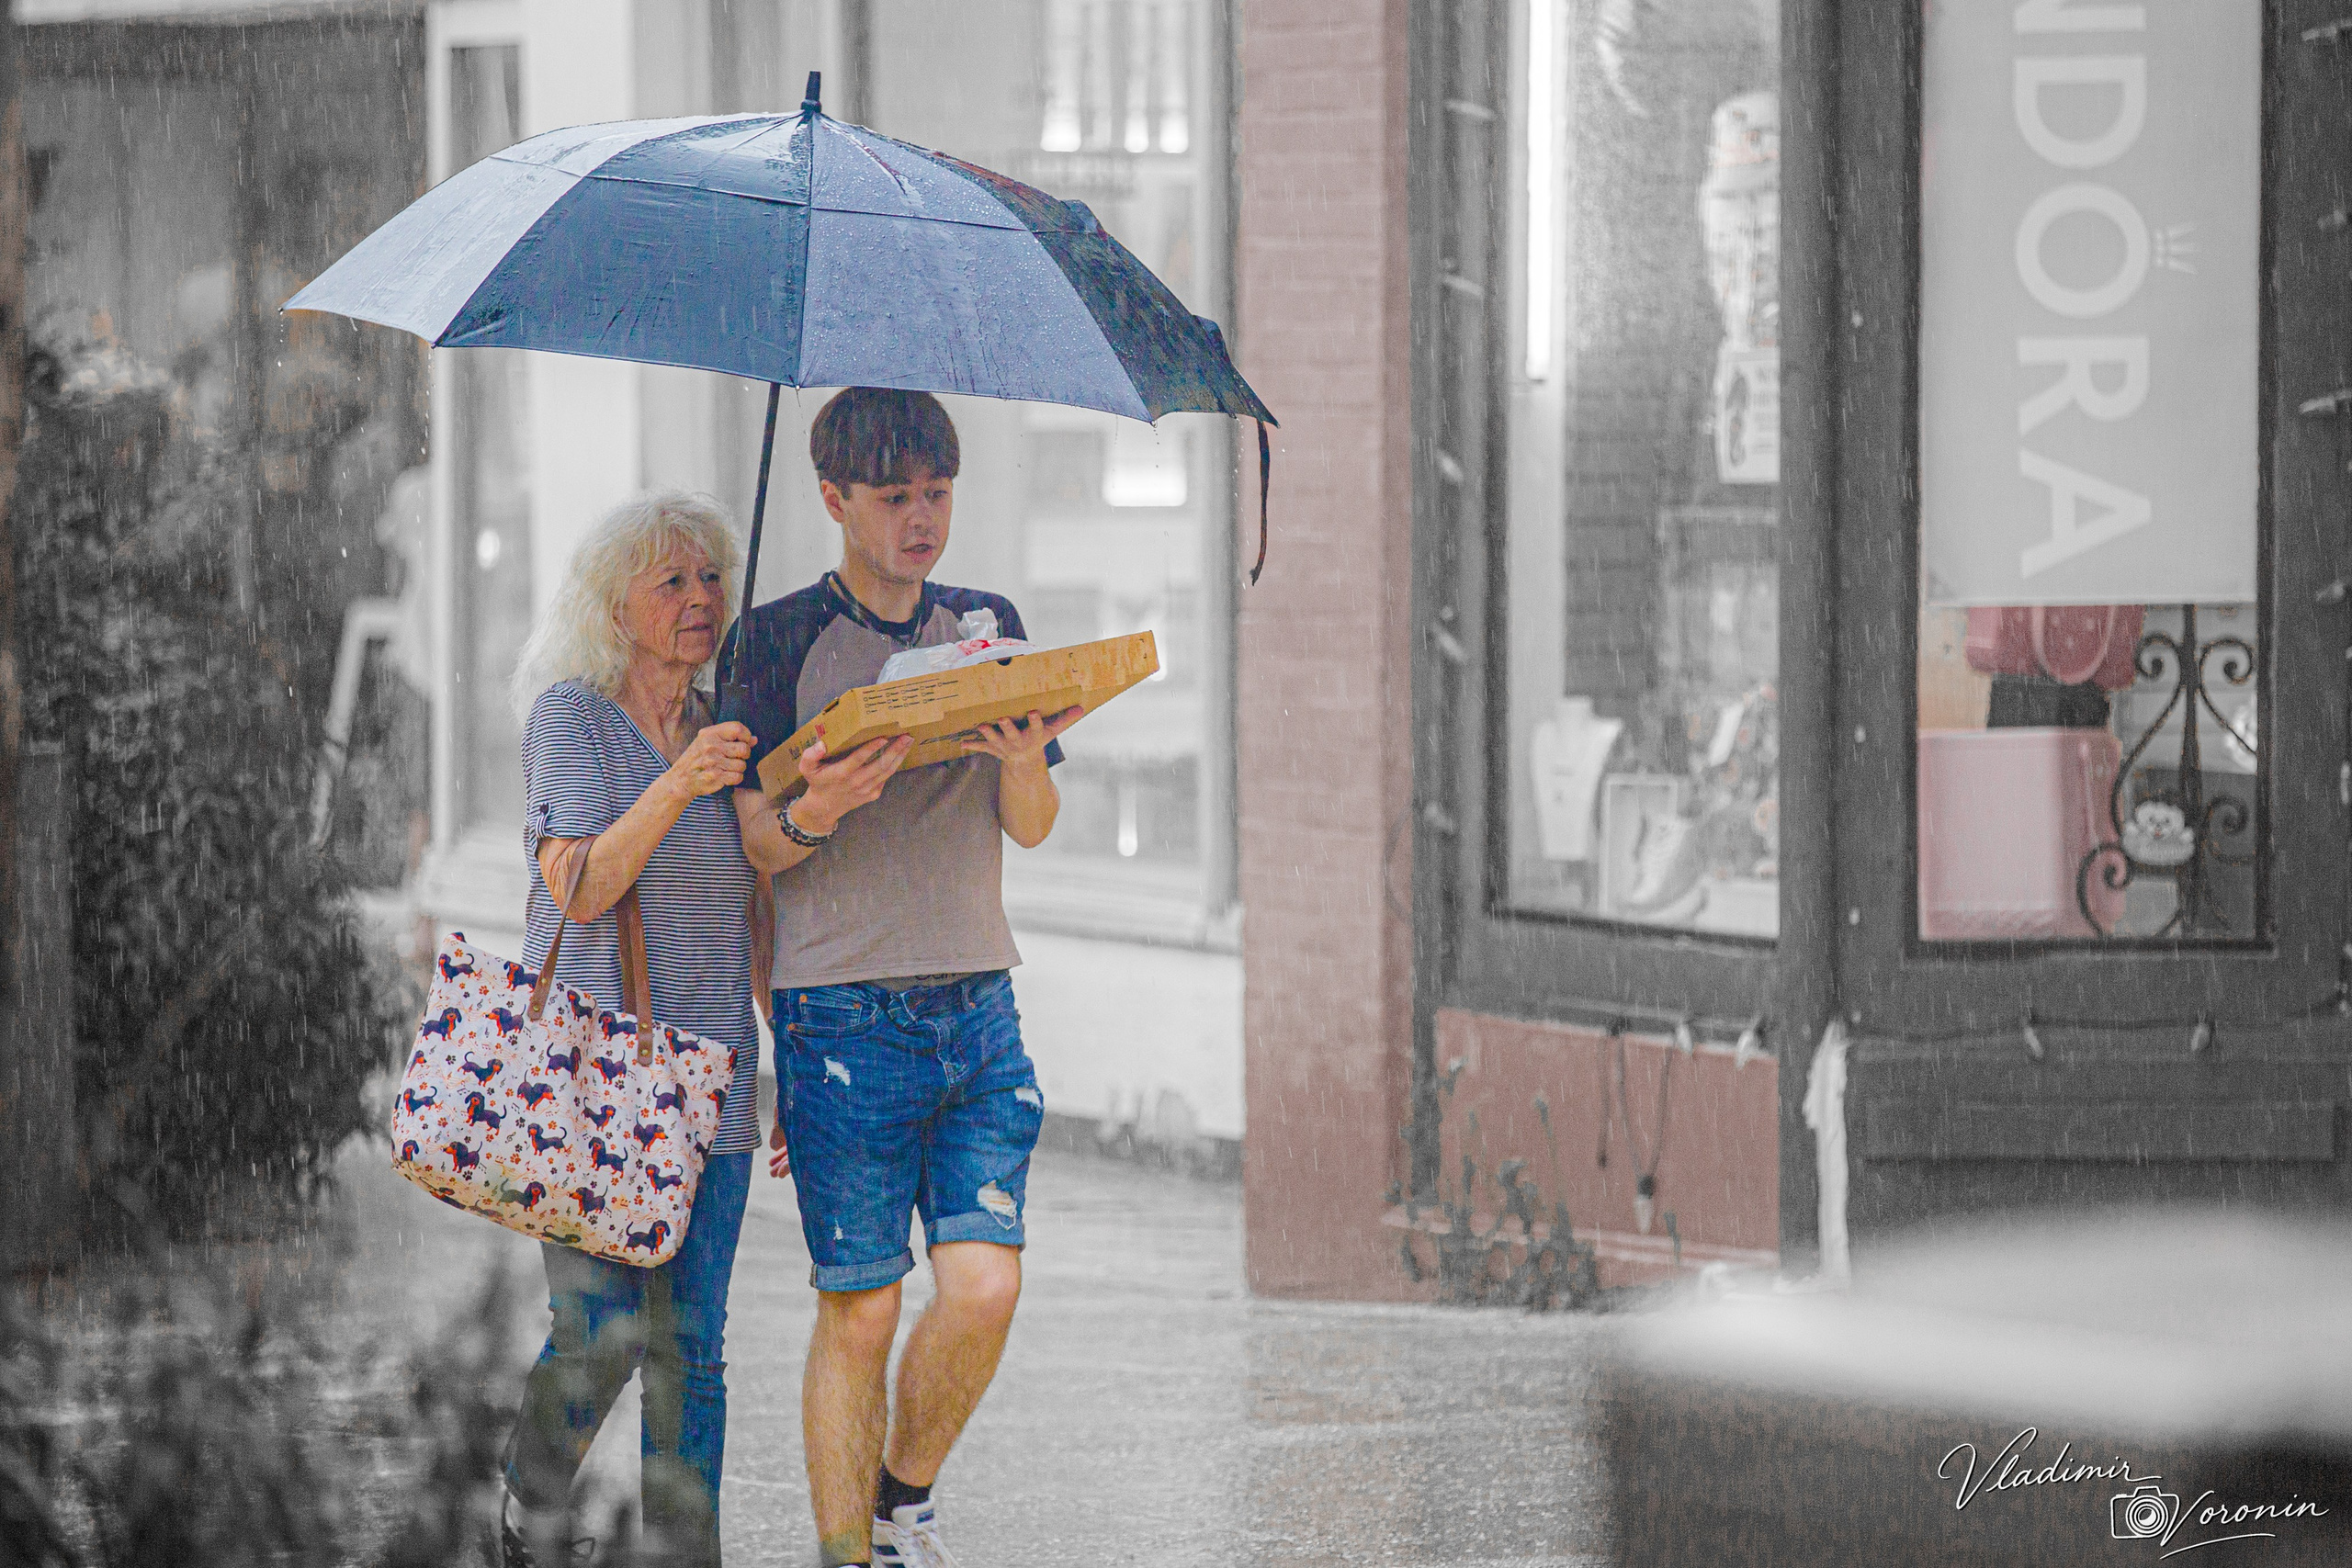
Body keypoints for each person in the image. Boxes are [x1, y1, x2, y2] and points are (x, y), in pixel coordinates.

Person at [731, 389, 1081, 1568]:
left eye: (937, 493)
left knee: (983, 1287)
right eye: (895, 498)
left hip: (979, 999)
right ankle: (847, 1557)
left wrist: (1025, 761)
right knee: (862, 1302)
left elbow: (1029, 826)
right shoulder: (772, 640)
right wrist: (816, 809)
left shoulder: (989, 621)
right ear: (833, 500)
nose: (922, 518)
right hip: (841, 1014)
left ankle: (901, 1501)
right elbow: (752, 844)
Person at [501, 491, 767, 1568]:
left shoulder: (732, 733)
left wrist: (777, 1057)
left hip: (717, 1078)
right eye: (673, 581)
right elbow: (581, 886)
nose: (701, 599)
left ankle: (679, 1553)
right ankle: (529, 1505)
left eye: (711, 578)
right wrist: (680, 783)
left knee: (693, 1354)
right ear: (615, 606)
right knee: (600, 1337)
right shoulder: (571, 716)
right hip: (593, 1076)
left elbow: (754, 913)